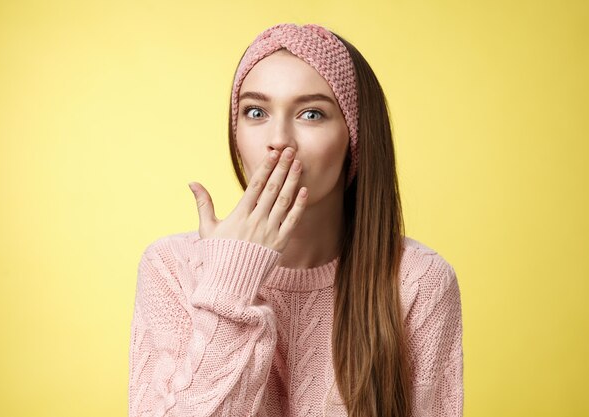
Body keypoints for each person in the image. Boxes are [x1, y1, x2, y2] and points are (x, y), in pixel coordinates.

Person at [128, 23, 464, 417]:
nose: (279, 138)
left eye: (311, 113)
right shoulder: (172, 268)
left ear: (355, 138)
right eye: (256, 112)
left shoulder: (418, 281)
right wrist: (229, 285)